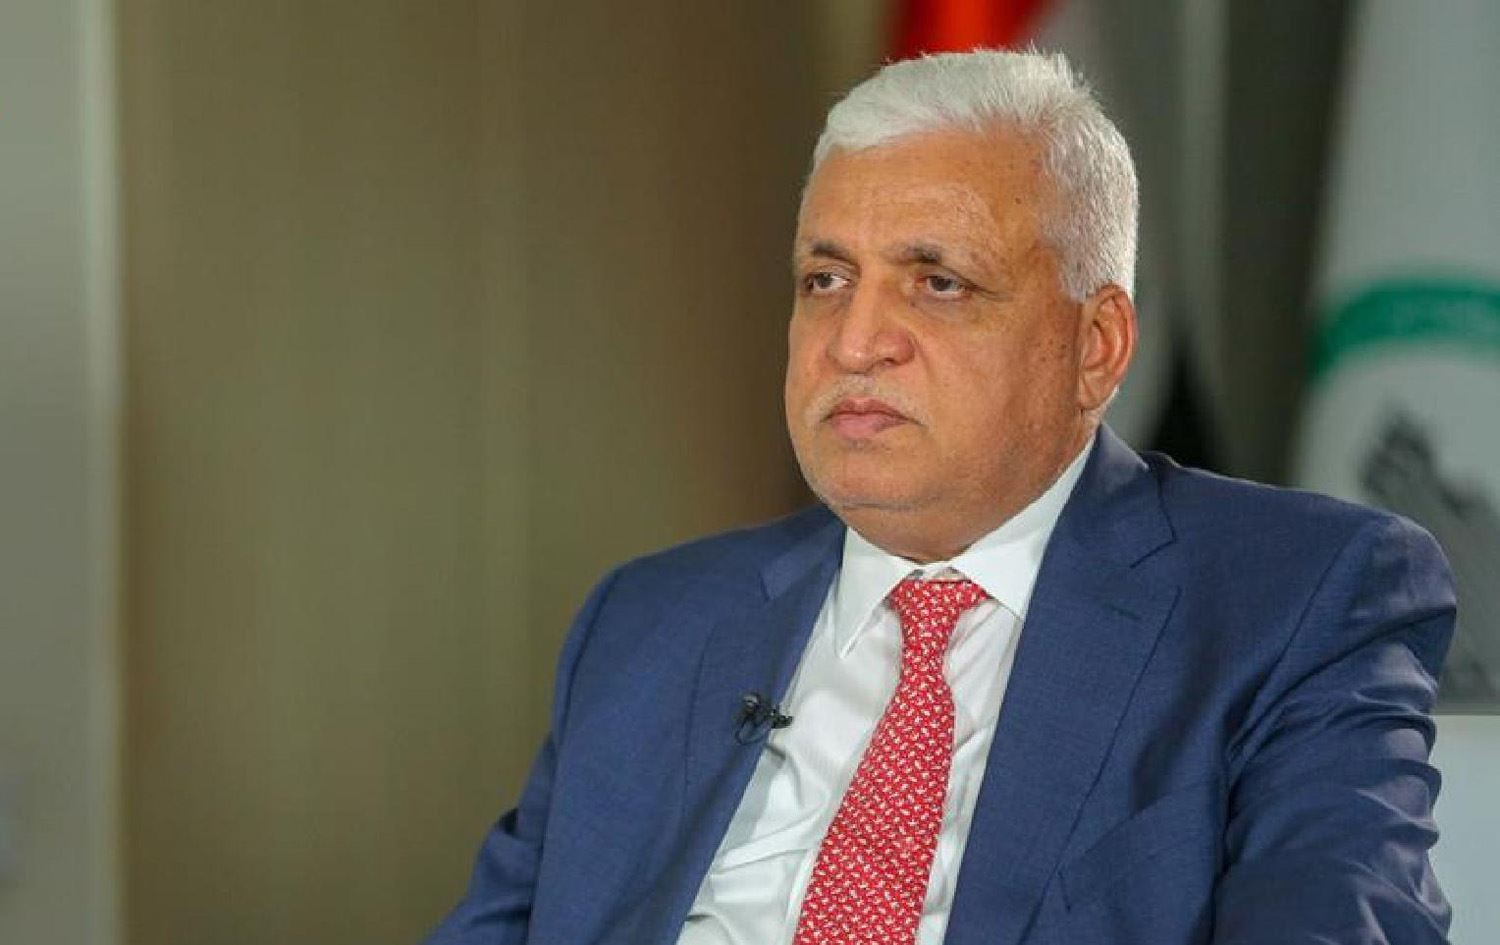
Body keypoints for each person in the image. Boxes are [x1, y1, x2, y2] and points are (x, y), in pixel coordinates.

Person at [424, 50, 1455, 944]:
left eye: (938, 282)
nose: (854, 342)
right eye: (826, 279)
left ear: (1096, 348)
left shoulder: (1294, 597)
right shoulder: (649, 621)